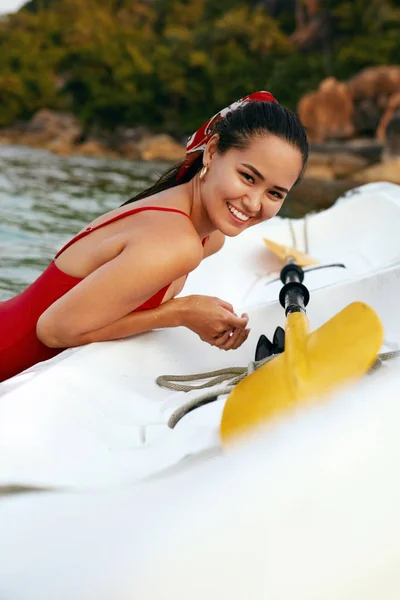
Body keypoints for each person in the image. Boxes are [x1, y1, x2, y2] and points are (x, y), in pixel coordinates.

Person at [0, 91, 308, 382]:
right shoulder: (178, 242)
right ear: (212, 152)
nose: (254, 203)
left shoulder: (202, 233)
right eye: (248, 177)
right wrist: (181, 313)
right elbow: (54, 331)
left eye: (274, 193)